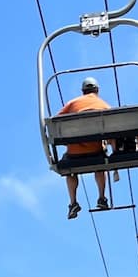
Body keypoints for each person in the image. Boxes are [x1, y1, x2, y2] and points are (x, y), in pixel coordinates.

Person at [56, 77, 111, 219]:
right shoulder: (104, 105)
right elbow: (112, 127)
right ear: (97, 90)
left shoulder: (72, 103)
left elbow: (55, 123)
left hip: (74, 153)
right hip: (95, 151)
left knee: (70, 171)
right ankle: (102, 197)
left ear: (83, 91)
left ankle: (73, 202)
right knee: (100, 166)